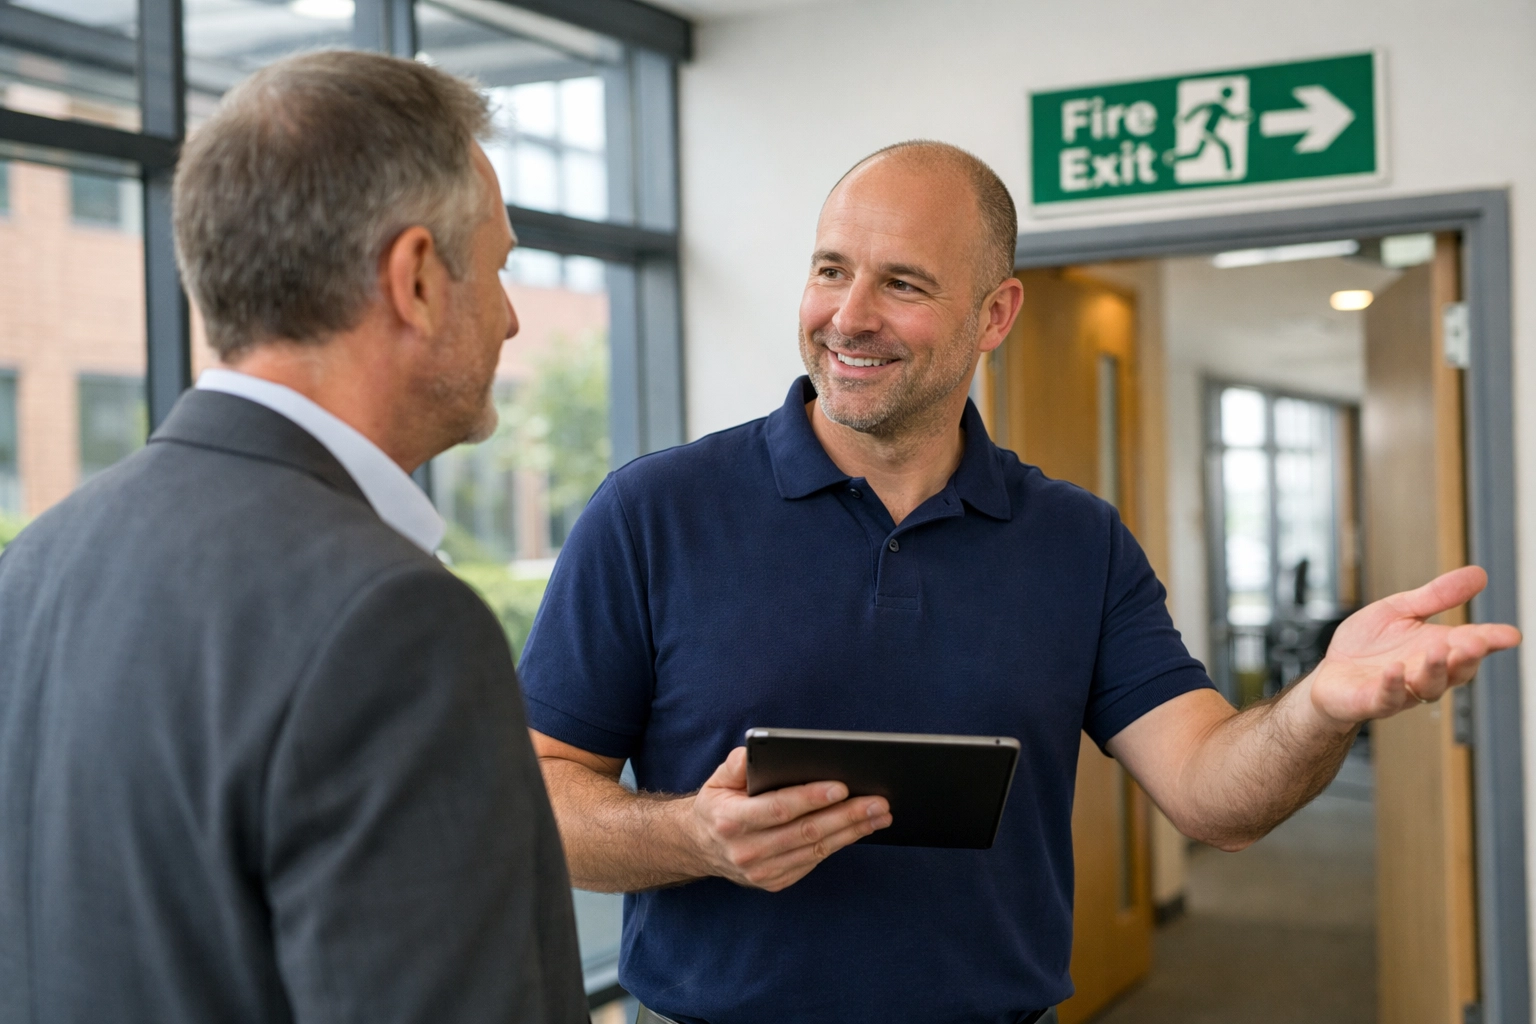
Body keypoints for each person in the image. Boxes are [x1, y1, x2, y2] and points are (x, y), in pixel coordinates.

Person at [518, 140, 1520, 1024]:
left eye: (902, 284)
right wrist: (694, 836)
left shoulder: (1078, 540)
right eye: (830, 270)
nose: (848, 317)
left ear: (994, 313)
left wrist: (1318, 706)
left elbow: (1216, 797)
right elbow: (535, 800)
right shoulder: (652, 511)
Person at [0, 52, 587, 1024]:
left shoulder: (35, 564)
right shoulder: (392, 621)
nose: (514, 317)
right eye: (497, 267)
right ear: (415, 279)